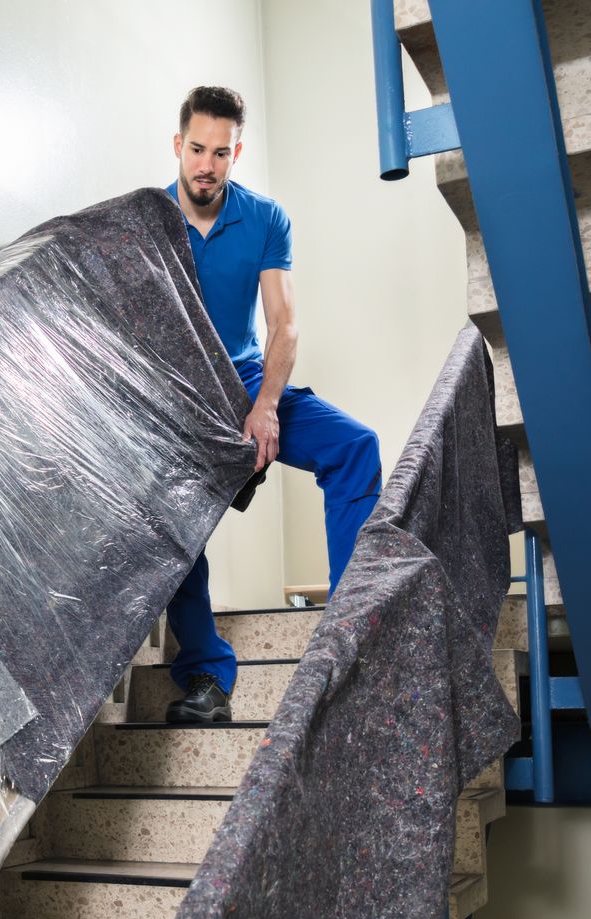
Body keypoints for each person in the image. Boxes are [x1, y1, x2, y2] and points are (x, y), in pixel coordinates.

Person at [162, 85, 383, 724]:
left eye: (221, 153)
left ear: (237, 153)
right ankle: (205, 675)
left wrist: (264, 408)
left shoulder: (264, 219)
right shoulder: (148, 222)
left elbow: (284, 324)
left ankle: (347, 641)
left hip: (250, 382)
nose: (207, 164)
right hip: (180, 402)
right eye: (197, 149)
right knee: (168, 526)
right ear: (179, 146)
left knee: (354, 446)